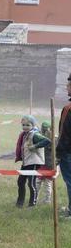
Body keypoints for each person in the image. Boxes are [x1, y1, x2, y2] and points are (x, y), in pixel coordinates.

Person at [14, 115, 50, 208]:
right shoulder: (24, 134)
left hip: (34, 162)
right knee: (20, 181)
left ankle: (32, 204)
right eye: (23, 125)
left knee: (31, 183)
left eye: (28, 125)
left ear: (33, 125)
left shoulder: (35, 134)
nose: (25, 127)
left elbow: (47, 141)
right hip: (26, 162)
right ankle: (20, 202)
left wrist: (34, 146)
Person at [56, 75, 71, 218]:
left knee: (70, 181)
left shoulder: (68, 109)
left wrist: (59, 153)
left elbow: (64, 135)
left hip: (68, 152)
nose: (67, 87)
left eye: (69, 85)